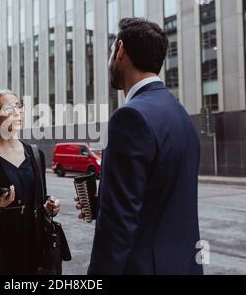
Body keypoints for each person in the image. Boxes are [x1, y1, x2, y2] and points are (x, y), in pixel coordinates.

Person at [77, 18, 204, 275]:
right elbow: (162, 196)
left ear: (121, 50)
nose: (110, 59)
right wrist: (103, 201)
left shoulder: (130, 117)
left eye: (111, 51)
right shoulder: (180, 115)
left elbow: (117, 226)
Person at [0, 89, 61, 275]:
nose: (17, 112)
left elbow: (38, 199)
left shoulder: (35, 154)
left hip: (33, 250)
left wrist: (49, 206)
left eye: (19, 106)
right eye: (9, 108)